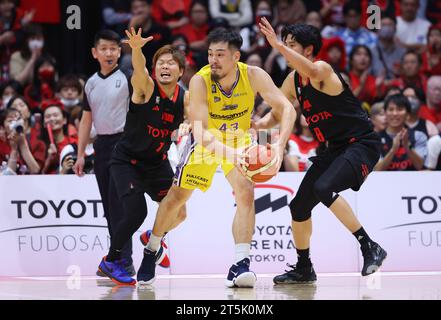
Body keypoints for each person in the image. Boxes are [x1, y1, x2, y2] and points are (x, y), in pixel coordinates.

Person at [136, 28, 296, 287]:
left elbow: (286, 108)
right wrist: (232, 154)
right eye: (210, 54)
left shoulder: (254, 75)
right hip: (207, 141)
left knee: (246, 191)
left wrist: (278, 147)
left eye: (220, 55)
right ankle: (151, 249)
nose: (213, 60)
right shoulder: (200, 80)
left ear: (236, 57)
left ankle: (240, 265)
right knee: (178, 197)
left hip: (240, 138)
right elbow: (199, 132)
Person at [258, 18, 387, 284]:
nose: (285, 48)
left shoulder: (322, 69)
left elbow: (314, 73)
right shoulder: (293, 80)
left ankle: (369, 246)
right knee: (299, 207)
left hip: (361, 143)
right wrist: (255, 126)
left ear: (308, 50)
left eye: (291, 45)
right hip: (334, 149)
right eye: (285, 44)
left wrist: (277, 46)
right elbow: (277, 114)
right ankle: (304, 268)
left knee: (324, 188)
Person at [97, 28, 190, 285]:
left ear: (181, 71)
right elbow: (139, 70)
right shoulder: (146, 88)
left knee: (179, 213)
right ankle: (111, 260)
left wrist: (189, 126)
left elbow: (198, 119)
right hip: (127, 161)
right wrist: (136, 50)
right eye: (161, 62)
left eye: (171, 63)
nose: (166, 66)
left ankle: (153, 237)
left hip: (156, 164)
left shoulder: (186, 98)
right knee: (136, 211)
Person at [72, 30, 134, 276]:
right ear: (94, 53)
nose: (109, 53)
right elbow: (86, 121)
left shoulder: (129, 77)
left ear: (120, 52)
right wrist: (80, 154)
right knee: (110, 209)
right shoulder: (91, 83)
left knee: (120, 207)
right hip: (101, 147)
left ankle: (124, 261)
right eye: (104, 49)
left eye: (113, 48)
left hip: (124, 145)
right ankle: (116, 258)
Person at [375, 94, 427, 171]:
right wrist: (393, 150)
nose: (395, 113)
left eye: (400, 109)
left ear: (408, 115)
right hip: (385, 182)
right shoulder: (375, 138)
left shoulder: (418, 136)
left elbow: (420, 166)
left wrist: (407, 146)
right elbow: (377, 169)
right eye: (391, 109)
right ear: (385, 113)